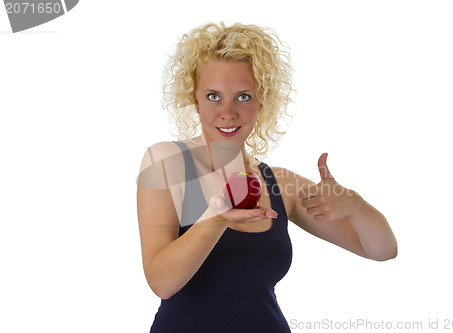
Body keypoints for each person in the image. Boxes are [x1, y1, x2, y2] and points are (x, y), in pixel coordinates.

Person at [136, 21, 397, 333]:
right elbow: (161, 282)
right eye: (213, 96)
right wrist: (218, 218)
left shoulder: (280, 183)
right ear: (195, 99)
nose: (228, 111)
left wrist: (356, 206)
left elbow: (382, 250)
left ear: (262, 100)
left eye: (243, 97)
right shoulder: (167, 162)